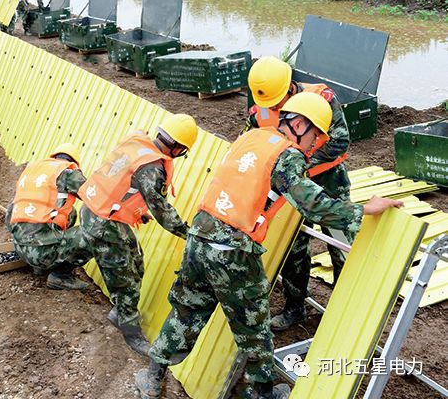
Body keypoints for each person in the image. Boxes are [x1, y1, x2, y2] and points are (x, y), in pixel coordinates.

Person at [135, 93, 403, 399]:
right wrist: (364, 210)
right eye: (315, 136)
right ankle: (261, 392)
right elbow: (312, 205)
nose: (315, 145)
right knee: (255, 328)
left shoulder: (251, 137)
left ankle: (152, 376)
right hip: (231, 250)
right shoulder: (287, 154)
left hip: (199, 238)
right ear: (299, 124)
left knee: (187, 311)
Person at [245, 56, 353, 331]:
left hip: (328, 183)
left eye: (279, 102)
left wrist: (297, 164)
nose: (275, 109)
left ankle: (346, 314)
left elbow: (339, 141)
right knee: (293, 248)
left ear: (290, 87)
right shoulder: (259, 109)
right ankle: (295, 307)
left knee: (341, 246)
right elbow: (252, 143)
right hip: (289, 190)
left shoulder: (322, 98)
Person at [78, 114, 197, 355]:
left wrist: (136, 211)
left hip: (99, 211)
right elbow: (163, 212)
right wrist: (190, 234)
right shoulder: (152, 168)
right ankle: (130, 330)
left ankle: (120, 311)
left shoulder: (139, 143)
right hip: (104, 223)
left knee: (136, 263)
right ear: (179, 148)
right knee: (126, 279)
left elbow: (123, 182)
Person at [6, 143, 94, 290]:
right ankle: (60, 276)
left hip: (20, 249)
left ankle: (40, 266)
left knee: (69, 214)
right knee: (95, 234)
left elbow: (9, 215)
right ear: (73, 163)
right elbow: (97, 197)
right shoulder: (67, 172)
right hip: (40, 254)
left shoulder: (32, 172)